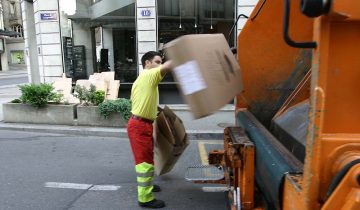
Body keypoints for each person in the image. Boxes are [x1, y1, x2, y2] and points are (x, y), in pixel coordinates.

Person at [127, 51, 172, 208]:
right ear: (147, 63)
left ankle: (148, 186)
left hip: (142, 124)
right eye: (157, 62)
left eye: (160, 62)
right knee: (144, 163)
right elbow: (168, 66)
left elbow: (142, 103)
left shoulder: (144, 80)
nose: (160, 65)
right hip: (140, 126)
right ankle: (145, 198)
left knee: (147, 159)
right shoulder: (148, 76)